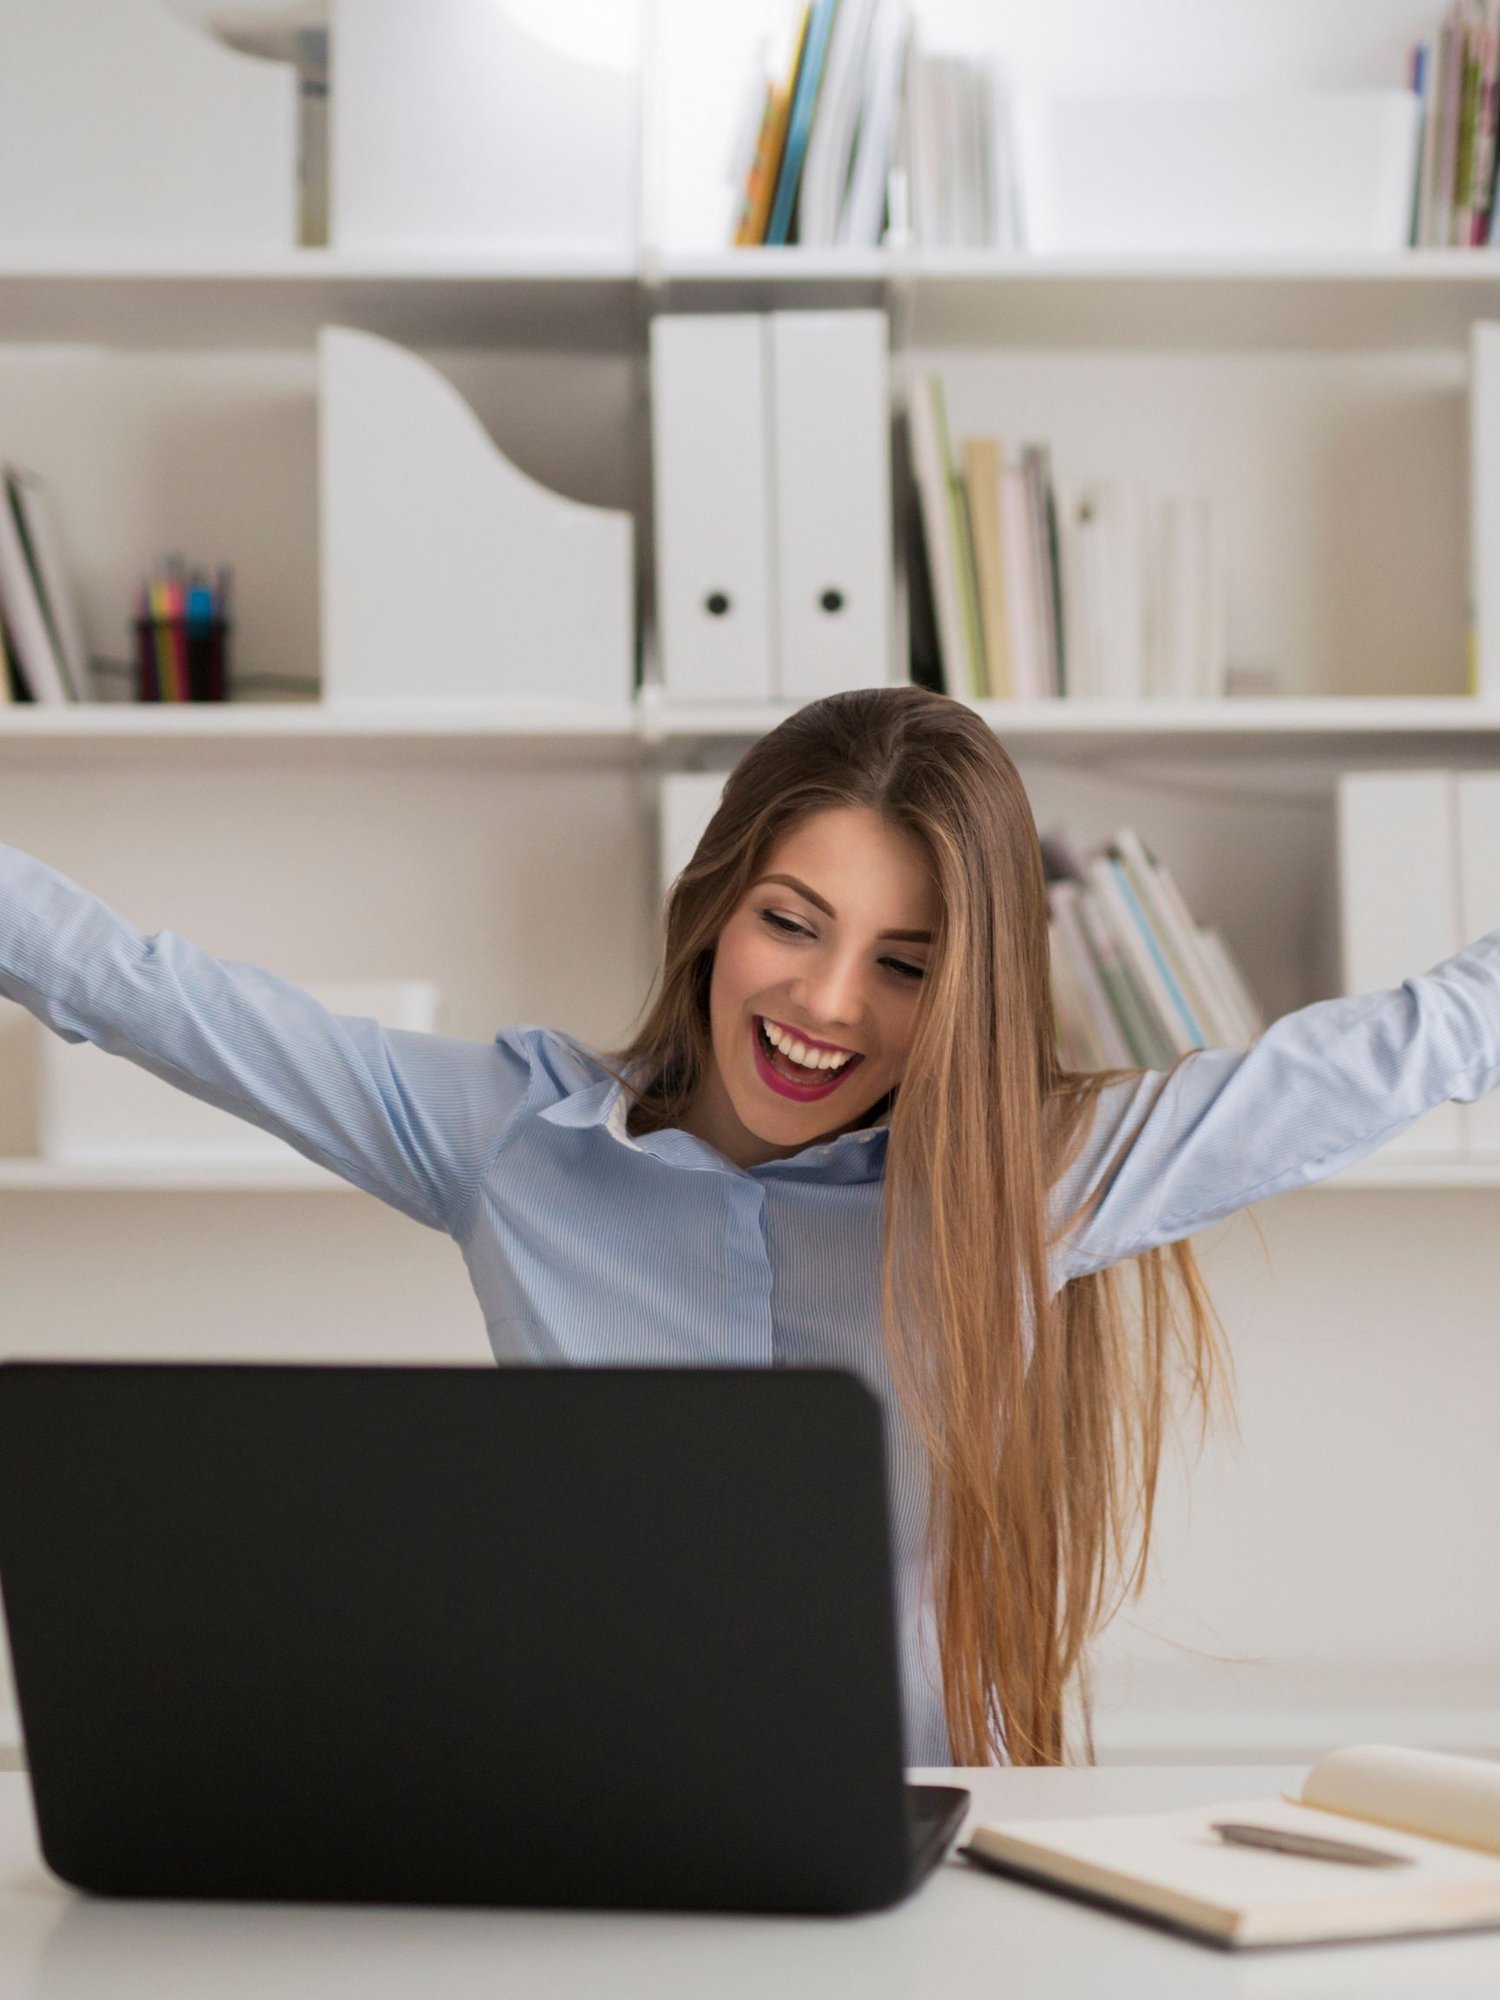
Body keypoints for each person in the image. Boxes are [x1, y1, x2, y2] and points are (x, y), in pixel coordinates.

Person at [4, 683, 1499, 1768]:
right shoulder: (511, 1142)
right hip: (592, 1814)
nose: (827, 1004)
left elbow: (1402, 1046)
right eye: (792, 921)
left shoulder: (1026, 1183)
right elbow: (145, 989)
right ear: (716, 907)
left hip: (927, 1835)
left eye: (905, 964)